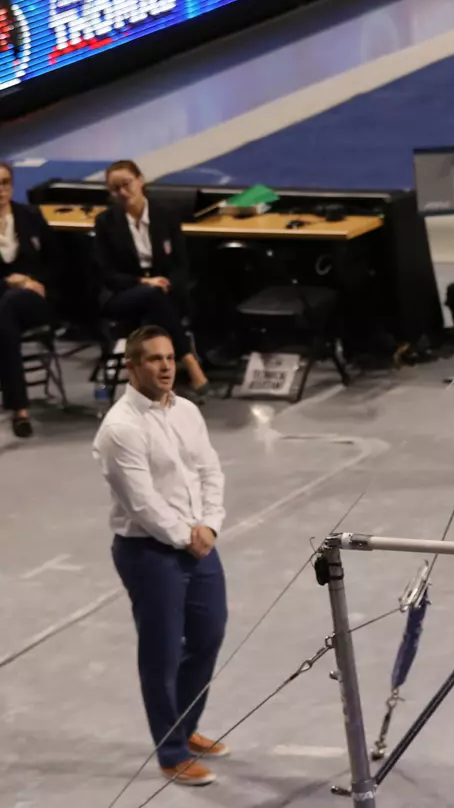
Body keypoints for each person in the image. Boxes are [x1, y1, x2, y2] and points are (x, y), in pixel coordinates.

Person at [95, 326, 229, 787]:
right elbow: (142, 503)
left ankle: (186, 727)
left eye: (170, 357)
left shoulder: (188, 411)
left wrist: (210, 525)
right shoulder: (120, 429)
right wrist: (188, 536)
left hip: (198, 541)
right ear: (132, 366)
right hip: (148, 552)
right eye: (153, 359)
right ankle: (171, 751)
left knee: (208, 636)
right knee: (162, 653)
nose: (167, 366)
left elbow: (210, 471)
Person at [94, 160, 211, 397]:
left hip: (165, 293)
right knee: (151, 293)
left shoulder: (165, 215)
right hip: (123, 295)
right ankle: (189, 361)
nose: (123, 193)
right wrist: (141, 283)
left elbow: (181, 264)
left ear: (141, 180)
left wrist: (167, 283)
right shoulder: (105, 222)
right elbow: (107, 274)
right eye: (115, 189)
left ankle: (163, 377)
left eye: (127, 184)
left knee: (158, 297)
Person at [0, 161, 57, 437]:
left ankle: (18, 405)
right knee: (6, 309)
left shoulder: (30, 216)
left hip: (34, 301)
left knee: (9, 306)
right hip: (5, 303)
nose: (0, 189)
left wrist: (33, 281)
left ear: (12, 185)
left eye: (4, 182)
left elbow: (55, 261)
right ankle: (19, 409)